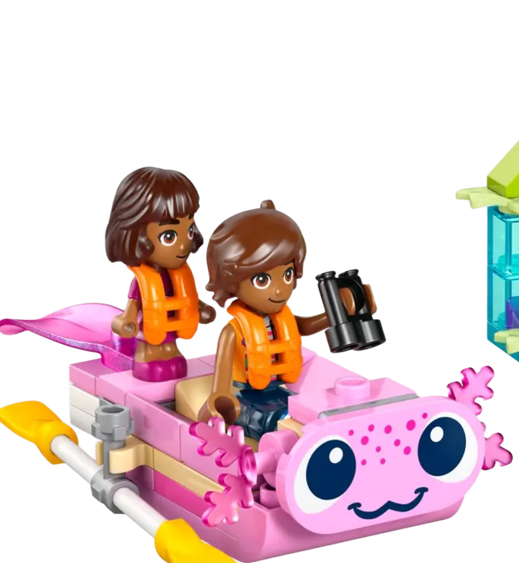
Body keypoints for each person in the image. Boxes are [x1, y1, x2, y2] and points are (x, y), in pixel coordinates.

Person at [200, 200, 377, 436]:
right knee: (273, 421)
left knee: (307, 414)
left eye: (287, 274)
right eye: (262, 280)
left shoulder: (283, 318)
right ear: (231, 282)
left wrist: (337, 314)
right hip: (246, 398)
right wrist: (218, 402)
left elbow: (304, 326)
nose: (279, 289)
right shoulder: (234, 330)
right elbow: (220, 385)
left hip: (282, 392)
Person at [103, 166, 218, 382]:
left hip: (172, 336)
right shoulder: (143, 280)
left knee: (174, 360)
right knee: (153, 356)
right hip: (149, 338)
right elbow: (134, 305)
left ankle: (169, 356)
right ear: (135, 235)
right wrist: (127, 320)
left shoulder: (180, 276)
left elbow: (189, 299)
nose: (183, 244)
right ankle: (146, 359)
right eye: (169, 236)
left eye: (189, 230)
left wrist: (201, 309)